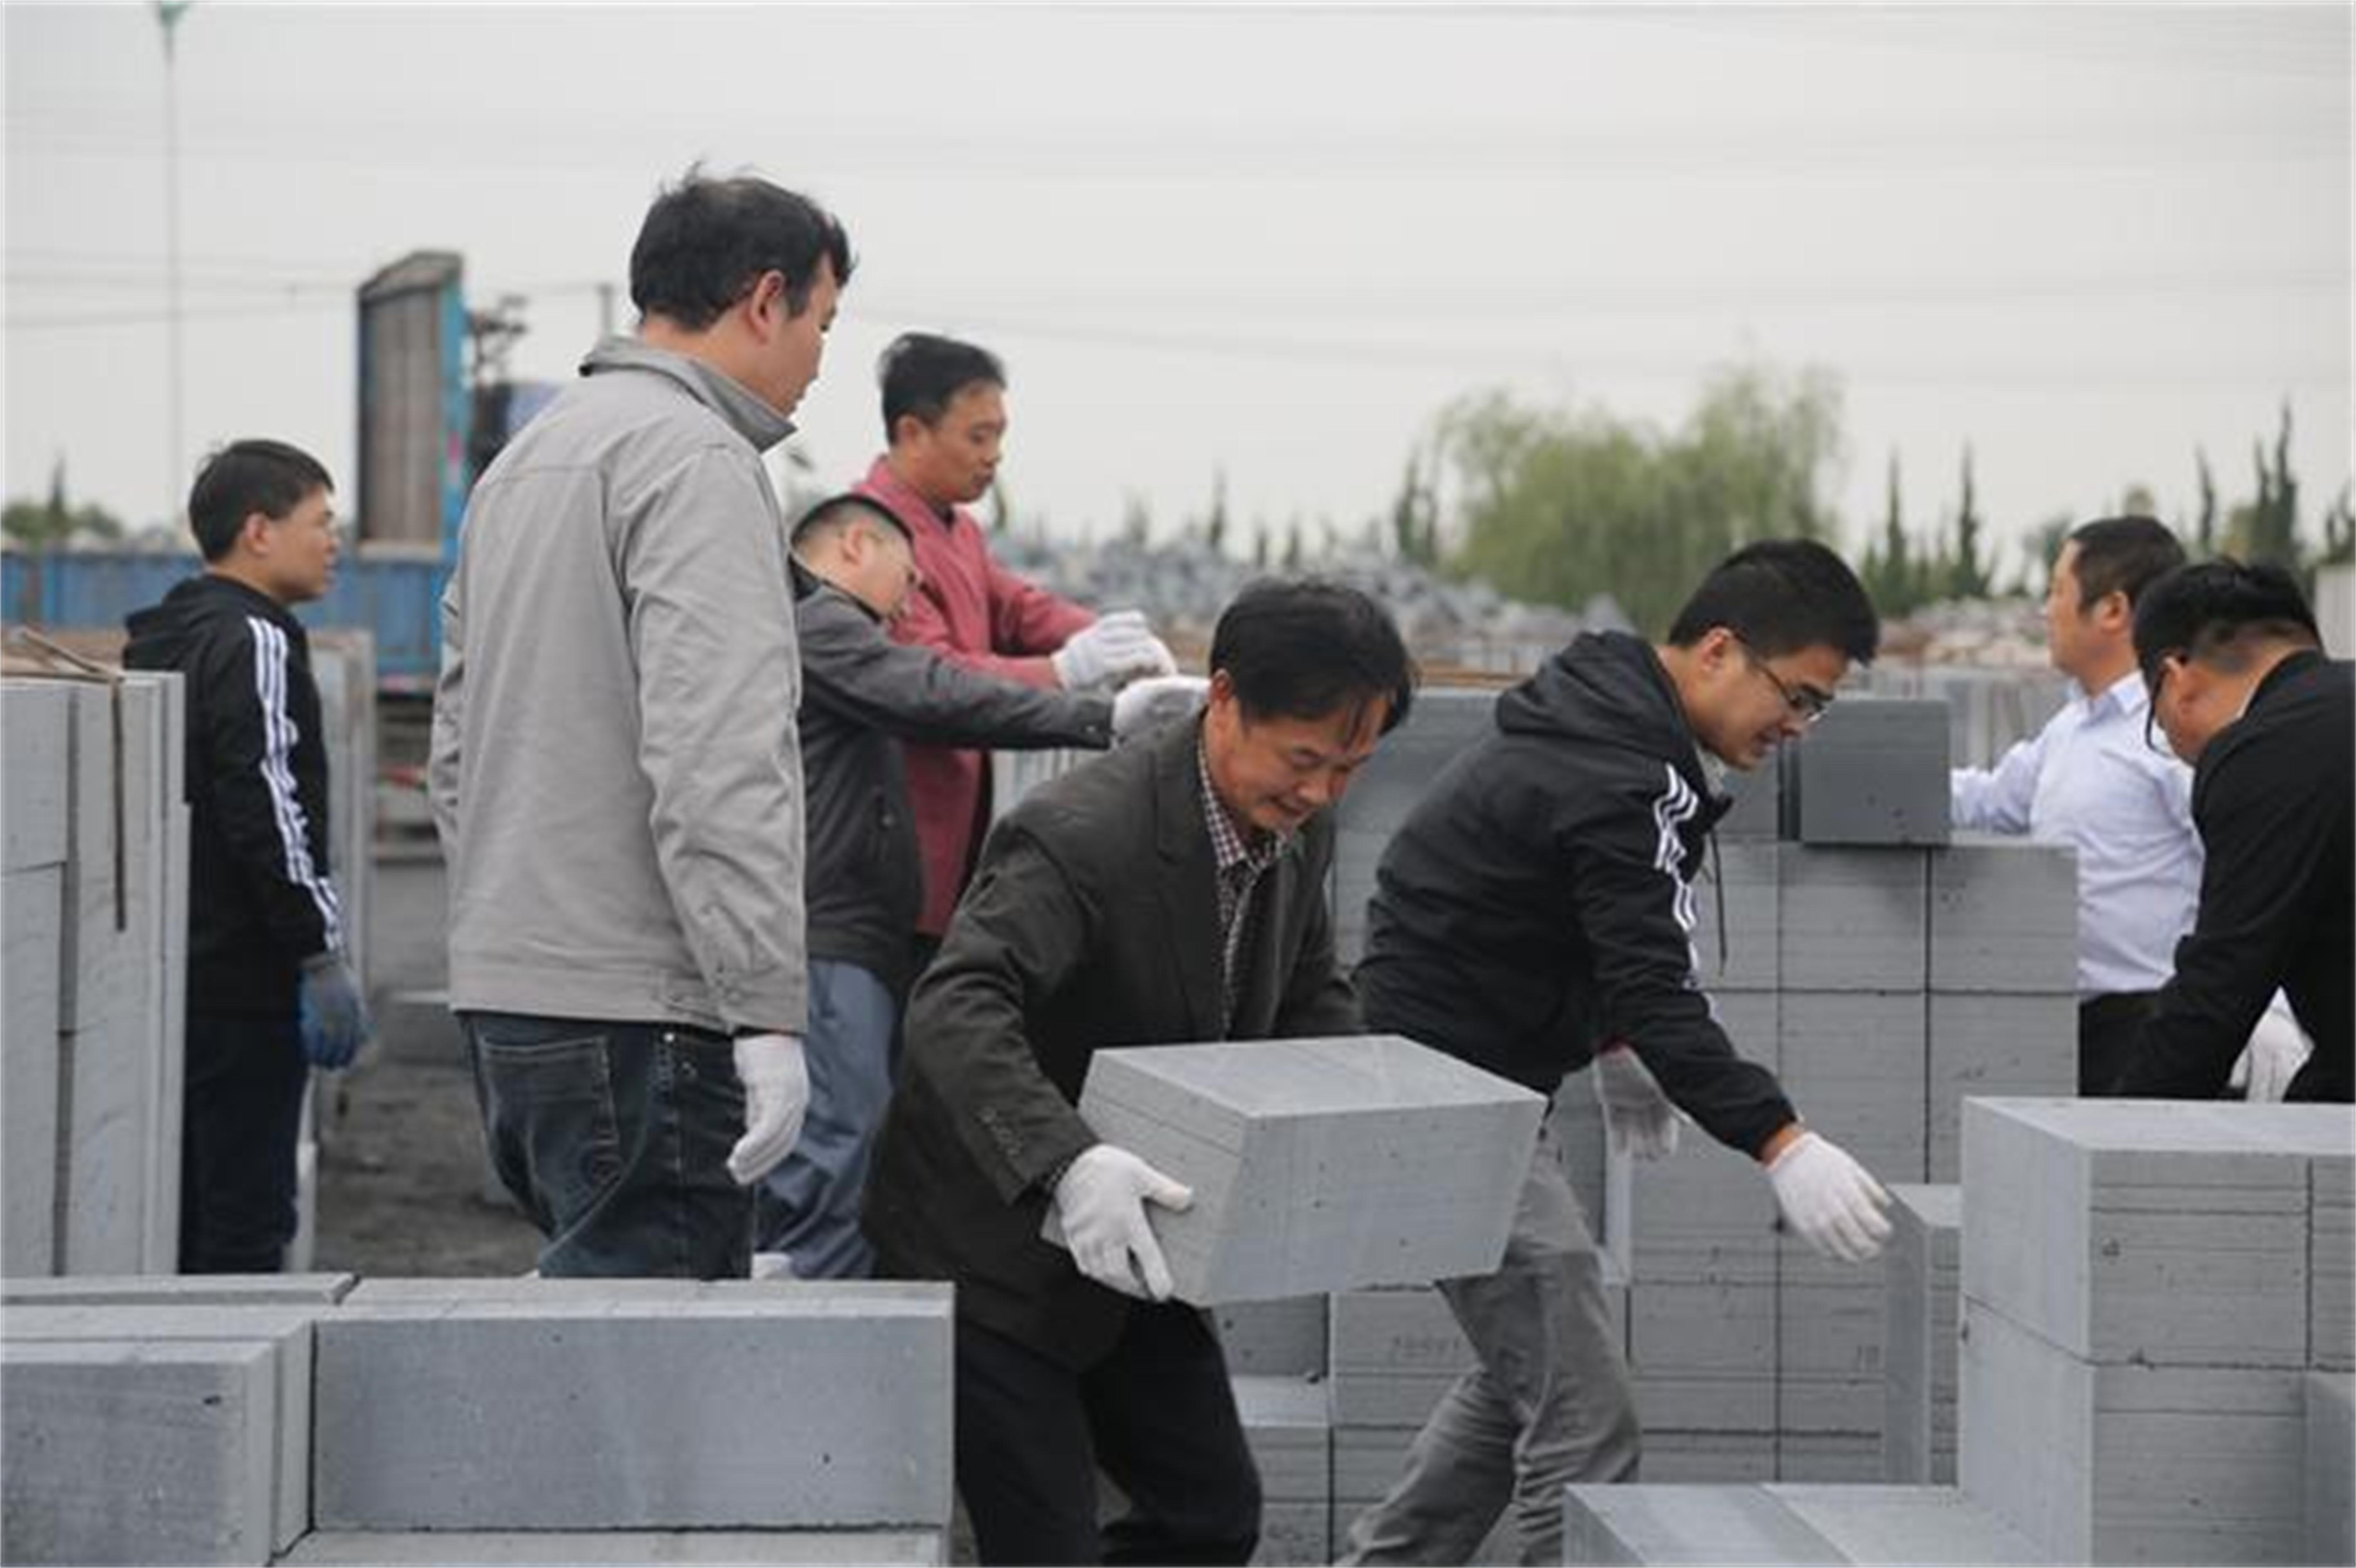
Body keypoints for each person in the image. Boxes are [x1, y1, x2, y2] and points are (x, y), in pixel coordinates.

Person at [1339, 539, 1896, 1567]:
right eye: (1799, 697)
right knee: (1588, 1420)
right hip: (1449, 1097)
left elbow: (1558, 909)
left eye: (1817, 710)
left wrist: (1609, 1042)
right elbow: (1657, 985)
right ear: (1720, 651)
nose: (1797, 728)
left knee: (1532, 1377)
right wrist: (1780, 1140)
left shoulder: (1609, 725)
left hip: (1455, 1077)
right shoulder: (1626, 772)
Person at [861, 578, 1416, 1566]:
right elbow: (957, 1003)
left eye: (1351, 769)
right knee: (1047, 1544)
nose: (1322, 793)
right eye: (1305, 760)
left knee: (1210, 1514)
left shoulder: (1298, 830)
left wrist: (1372, 1113)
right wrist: (1068, 1164)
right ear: (1225, 699)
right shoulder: (1084, 835)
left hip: (1143, 1238)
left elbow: (1304, 995)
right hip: (994, 1246)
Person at [428, 170, 852, 1278]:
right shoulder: (697, 460)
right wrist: (764, 1008)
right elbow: (719, 756)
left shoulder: (527, 461)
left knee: (587, 1344)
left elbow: (457, 748)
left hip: (514, 1000)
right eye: (822, 321)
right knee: (653, 1369)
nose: (819, 358)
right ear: (766, 300)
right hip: (645, 1013)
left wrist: (513, 931)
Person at [760, 491, 1205, 1278]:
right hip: (828, 937)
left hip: (848, 935)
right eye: (909, 578)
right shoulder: (823, 625)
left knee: (851, 1145)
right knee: (838, 1154)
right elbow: (936, 689)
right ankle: (820, 1329)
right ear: (856, 545)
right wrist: (1098, 715)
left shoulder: (828, 632)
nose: (909, 603)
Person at [1950, 516, 2309, 1096]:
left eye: (2057, 591)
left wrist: (2272, 1015)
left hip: (2157, 1023)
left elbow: (2260, 878)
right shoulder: (2070, 728)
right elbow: (1990, 800)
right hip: (2075, 1027)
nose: (2045, 611)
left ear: (2112, 610)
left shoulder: (2179, 728)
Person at [124, 438, 370, 1274]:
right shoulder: (255, 639)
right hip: (246, 983)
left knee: (186, 1221)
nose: (334, 542)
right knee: (246, 1226)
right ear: (259, 531)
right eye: (321, 522)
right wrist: (319, 952)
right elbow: (268, 804)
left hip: (175, 979)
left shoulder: (171, 634)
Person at [852, 331, 1177, 964]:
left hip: (952, 826)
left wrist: (1108, 639)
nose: (993, 455)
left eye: (998, 436)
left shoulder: (957, 529)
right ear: (913, 432)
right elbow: (933, 675)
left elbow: (1018, 606)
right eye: (978, 436)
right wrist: (1063, 670)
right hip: (895, 832)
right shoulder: (872, 537)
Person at [2114, 558, 2350, 1102]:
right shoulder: (2334, 718)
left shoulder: (2262, 752)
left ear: (2177, 680)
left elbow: (2223, 982)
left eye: (2157, 723)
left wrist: (2116, 1130)